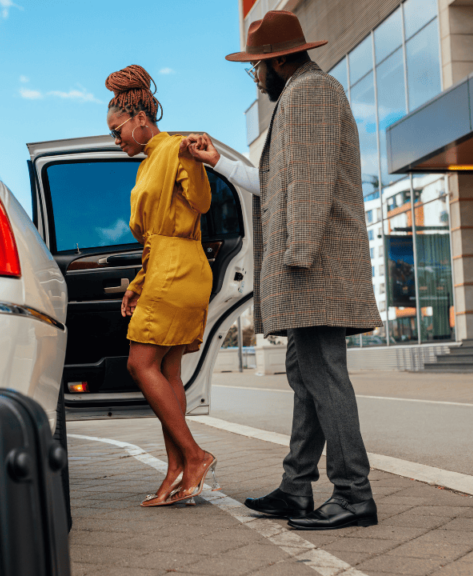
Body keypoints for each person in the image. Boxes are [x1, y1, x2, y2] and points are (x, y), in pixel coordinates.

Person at [181, 10, 383, 530]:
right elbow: (273, 182)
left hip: (312, 265)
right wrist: (216, 161)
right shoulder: (299, 93)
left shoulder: (311, 92)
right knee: (306, 373)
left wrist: (296, 257)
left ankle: (354, 494)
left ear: (276, 60)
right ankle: (296, 489)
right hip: (309, 263)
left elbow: (312, 183)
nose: (254, 76)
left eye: (255, 67)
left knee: (323, 375)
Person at [104, 64, 218, 507]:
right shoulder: (150, 162)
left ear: (139, 119)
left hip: (178, 266)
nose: (117, 141)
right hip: (166, 266)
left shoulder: (174, 148)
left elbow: (202, 203)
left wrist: (195, 155)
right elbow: (152, 237)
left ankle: (194, 455)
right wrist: (137, 282)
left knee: (140, 364)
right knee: (168, 371)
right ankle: (176, 470)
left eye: (118, 131)